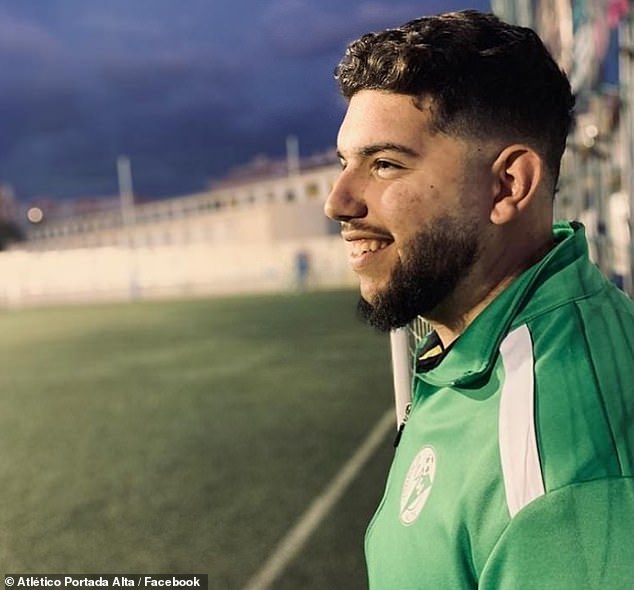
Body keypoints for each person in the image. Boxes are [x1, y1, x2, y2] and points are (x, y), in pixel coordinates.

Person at [324, 10, 633, 589]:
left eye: (384, 164)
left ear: (507, 185)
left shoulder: (558, 470)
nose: (337, 202)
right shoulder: (479, 336)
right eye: (345, 163)